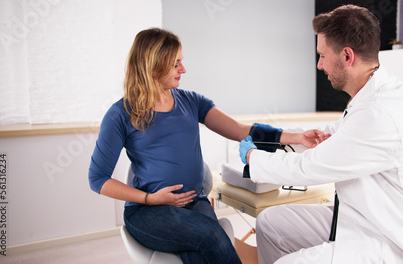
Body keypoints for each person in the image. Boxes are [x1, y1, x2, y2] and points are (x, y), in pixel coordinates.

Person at [88, 27, 325, 264]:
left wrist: (297, 137)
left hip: (194, 201)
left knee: (197, 254)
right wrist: (152, 199)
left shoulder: (192, 101)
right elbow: (98, 179)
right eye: (175, 64)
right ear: (152, 65)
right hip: (148, 211)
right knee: (212, 235)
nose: (183, 69)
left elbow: (241, 130)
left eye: (181, 61)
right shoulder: (120, 114)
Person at [239, 5, 403, 264]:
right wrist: (296, 138)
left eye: (322, 55)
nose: (320, 65)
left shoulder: (379, 111)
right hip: (359, 216)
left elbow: (309, 169)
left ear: (347, 56)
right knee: (269, 222)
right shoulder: (369, 94)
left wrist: (253, 158)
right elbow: (337, 135)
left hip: (390, 240)